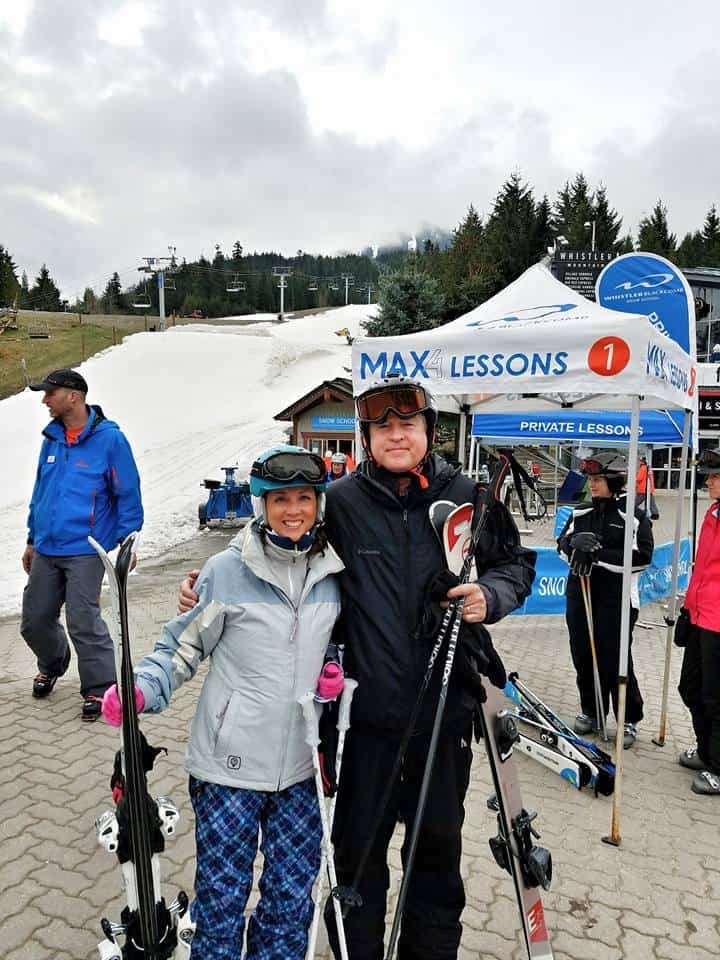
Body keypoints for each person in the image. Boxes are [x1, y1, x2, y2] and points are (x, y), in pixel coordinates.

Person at [180, 376, 536, 959]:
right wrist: (207, 580)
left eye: (408, 425)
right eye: (383, 427)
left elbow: (514, 564)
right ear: (367, 436)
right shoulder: (341, 503)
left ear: (429, 430)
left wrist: (489, 595)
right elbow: (275, 544)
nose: (397, 435)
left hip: (443, 714)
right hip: (361, 719)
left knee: (436, 854)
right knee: (358, 859)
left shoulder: (469, 495)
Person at [103, 445, 345, 957]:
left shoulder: (333, 572)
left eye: (305, 497)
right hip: (227, 770)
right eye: (280, 499)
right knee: (223, 896)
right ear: (261, 504)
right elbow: (182, 647)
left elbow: (341, 644)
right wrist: (141, 689)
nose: (294, 510)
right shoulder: (226, 571)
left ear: (320, 503)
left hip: (301, 769)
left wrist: (335, 674)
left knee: (289, 897)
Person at [21, 368, 143, 721]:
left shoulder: (110, 440)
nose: (45, 400)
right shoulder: (52, 439)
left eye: (50, 393)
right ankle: (54, 662)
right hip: (47, 546)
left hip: (87, 549)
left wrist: (127, 543)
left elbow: (128, 493)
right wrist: (32, 538)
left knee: (82, 619)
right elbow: (40, 493)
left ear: (73, 395)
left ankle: (99, 688)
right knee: (35, 619)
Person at [557, 450, 654, 749]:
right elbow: (561, 547)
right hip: (580, 592)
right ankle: (592, 710)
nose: (593, 484)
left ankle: (628, 718)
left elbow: (642, 558)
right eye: (591, 479)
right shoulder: (580, 513)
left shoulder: (633, 517)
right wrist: (573, 545)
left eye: (598, 479)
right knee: (583, 655)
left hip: (615, 597)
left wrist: (598, 555)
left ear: (615, 481)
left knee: (614, 657)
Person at [677, 447, 720, 795]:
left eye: (716, 477)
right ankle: (707, 751)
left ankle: (717, 766)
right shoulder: (713, 514)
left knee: (715, 696)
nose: (708, 481)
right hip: (700, 615)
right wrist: (687, 609)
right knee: (690, 688)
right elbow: (703, 570)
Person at [635, 456, 659, 520]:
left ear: (642, 461)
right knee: (651, 502)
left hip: (643, 489)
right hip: (649, 488)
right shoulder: (649, 468)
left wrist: (635, 478)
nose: (639, 462)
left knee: (636, 501)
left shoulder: (643, 468)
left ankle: (630, 510)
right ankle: (655, 514)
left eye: (640, 461)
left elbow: (639, 478)